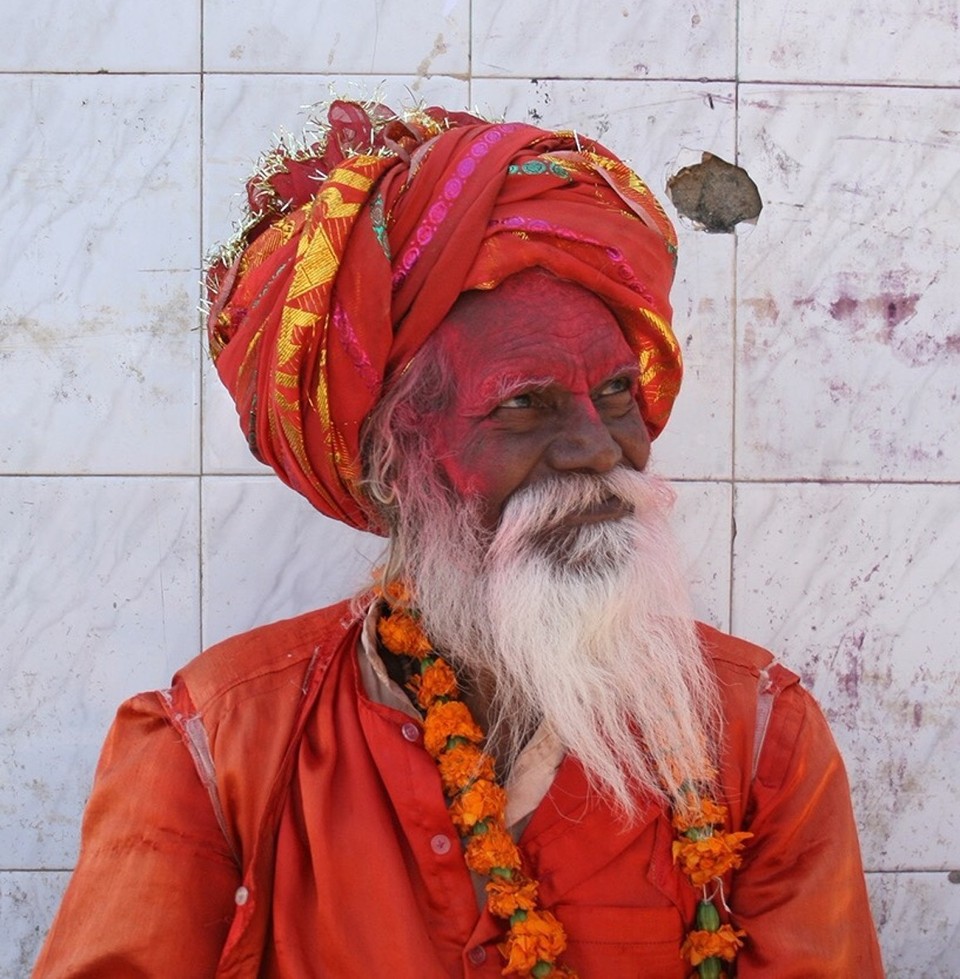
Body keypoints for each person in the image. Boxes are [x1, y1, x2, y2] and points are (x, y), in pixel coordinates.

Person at [34, 100, 883, 978]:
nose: (600, 448)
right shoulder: (216, 750)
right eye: (525, 402)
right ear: (394, 464)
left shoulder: (761, 738)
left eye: (619, 393)